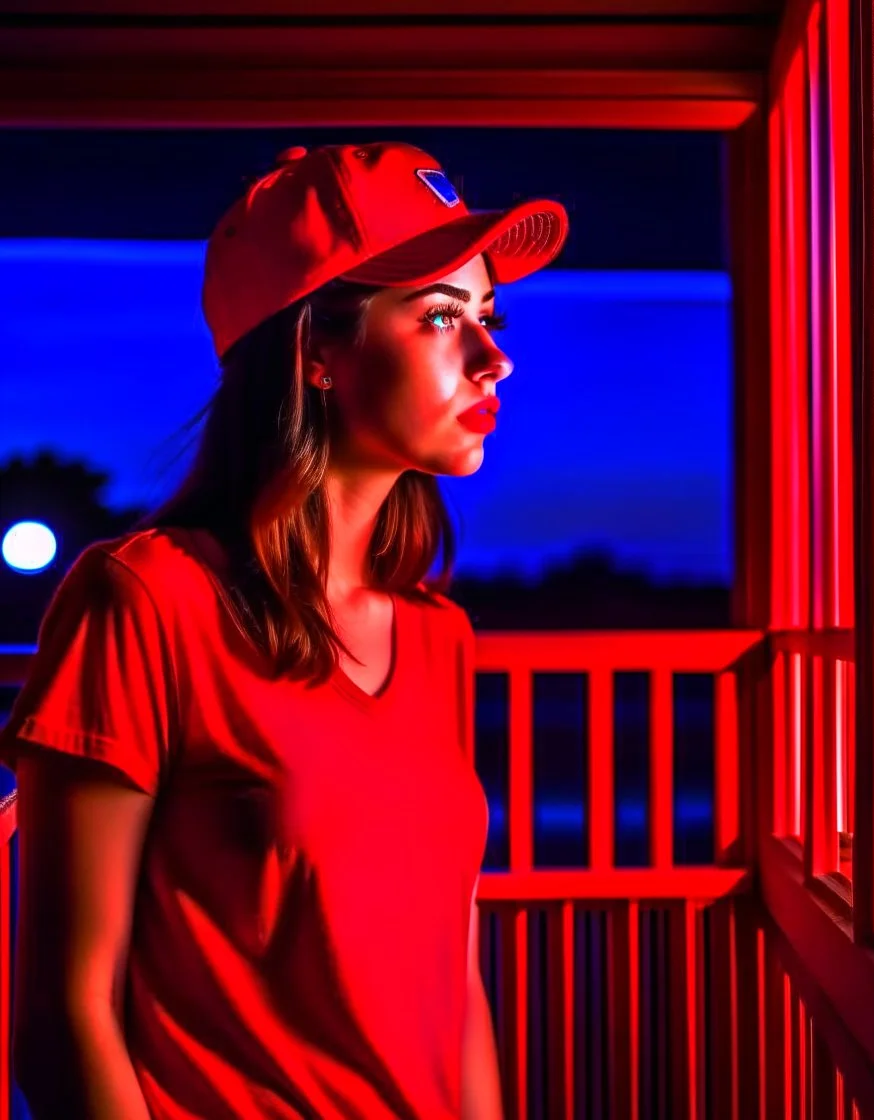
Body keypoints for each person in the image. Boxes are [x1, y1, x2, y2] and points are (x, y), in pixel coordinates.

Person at [0, 141, 569, 1119]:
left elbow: (452, 990)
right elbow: (64, 1007)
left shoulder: (438, 637)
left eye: (487, 316)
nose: (493, 355)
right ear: (314, 352)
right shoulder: (145, 599)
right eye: (439, 318)